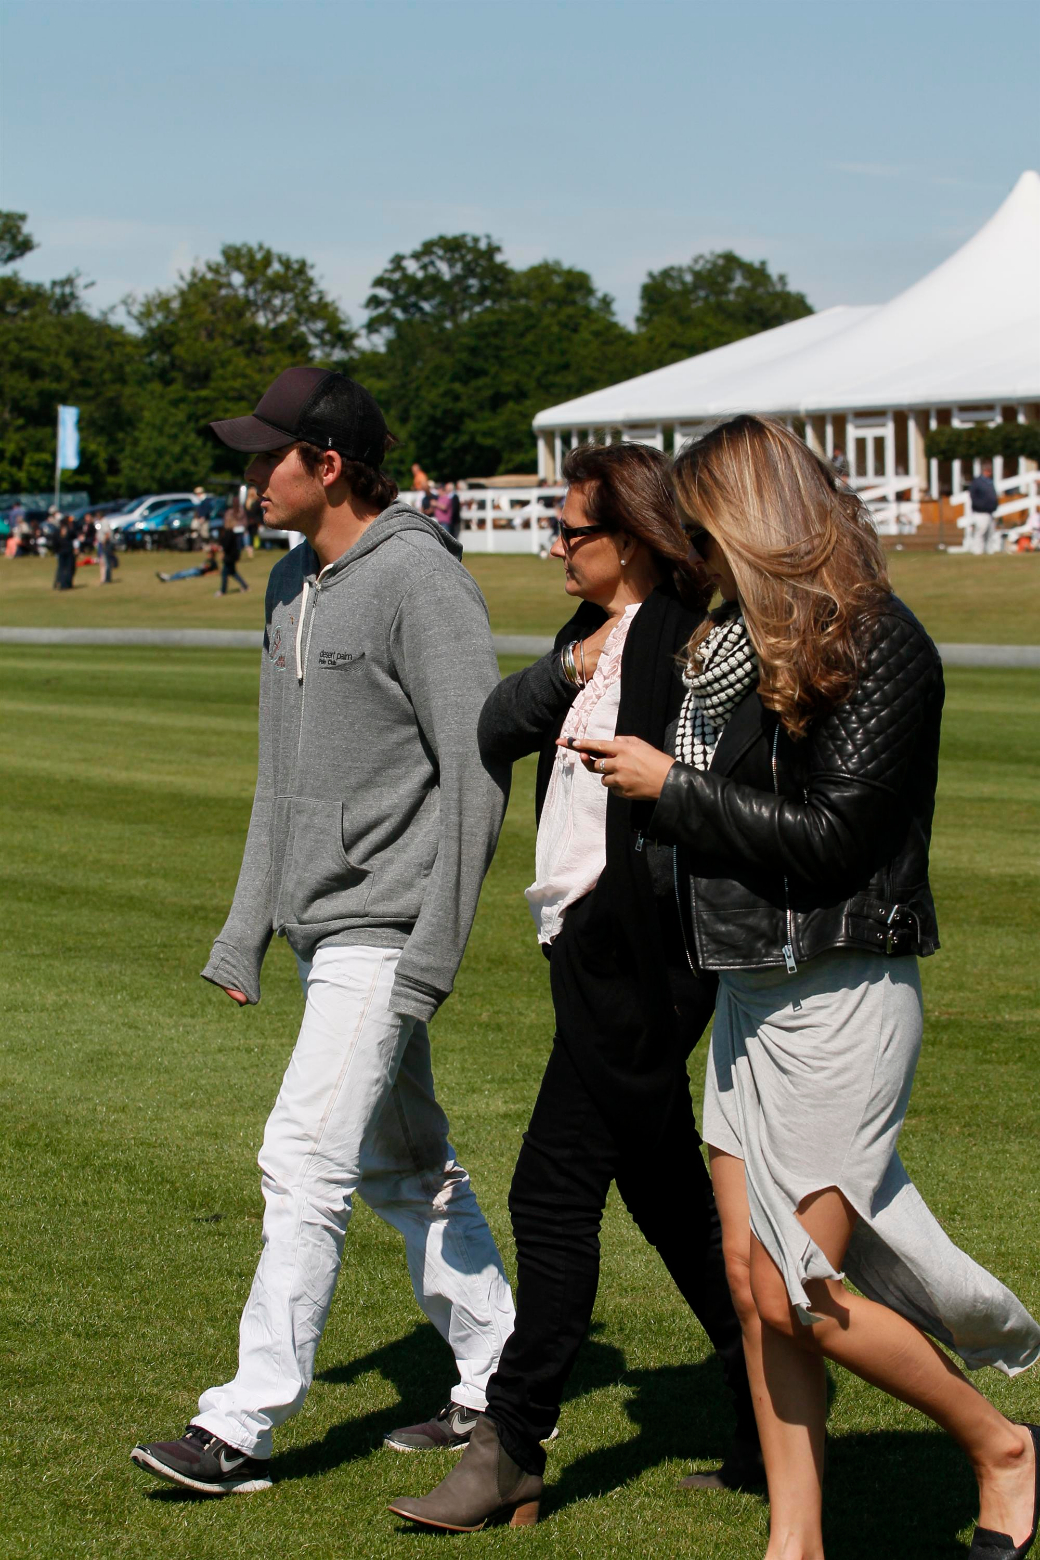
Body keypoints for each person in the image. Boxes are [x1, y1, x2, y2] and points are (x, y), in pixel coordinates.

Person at [560, 415, 1040, 1558]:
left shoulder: (880, 645)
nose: (692, 553)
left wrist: (669, 789)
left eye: (706, 527)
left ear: (757, 518)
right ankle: (794, 1542)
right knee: (745, 1281)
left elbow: (832, 838)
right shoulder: (732, 644)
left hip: (841, 991)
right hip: (747, 990)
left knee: (793, 1293)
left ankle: (1001, 1448)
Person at [131, 365, 514, 1497]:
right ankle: (498, 1373)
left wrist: (433, 948)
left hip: (387, 928)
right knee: (408, 1168)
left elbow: (478, 776)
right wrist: (246, 925)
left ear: (328, 463)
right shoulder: (289, 582)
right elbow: (281, 777)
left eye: (265, 457)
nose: (249, 478)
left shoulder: (420, 582)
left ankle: (238, 1425)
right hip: (317, 927)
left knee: (303, 1160)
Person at [389, 442, 760, 1535]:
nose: (554, 544)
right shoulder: (587, 640)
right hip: (585, 944)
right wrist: (564, 668)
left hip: (636, 955)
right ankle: (769, 1407)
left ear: (633, 536)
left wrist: (621, 935)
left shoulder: (679, 643)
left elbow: (686, 802)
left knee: (551, 1192)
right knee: (667, 1201)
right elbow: (494, 730)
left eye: (573, 531)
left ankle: (511, 1441)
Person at [967, 459, 1000, 554]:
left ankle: (990, 551)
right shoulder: (977, 482)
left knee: (990, 533)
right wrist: (981, 506)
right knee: (980, 532)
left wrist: (994, 505)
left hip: (990, 512)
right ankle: (977, 551)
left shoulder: (989, 482)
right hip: (980, 512)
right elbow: (973, 495)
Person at [216, 516, 249, 595]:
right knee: (233, 573)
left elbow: (226, 546)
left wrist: (222, 551)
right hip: (232, 556)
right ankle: (245, 586)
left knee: (225, 573)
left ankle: (223, 591)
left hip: (229, 557)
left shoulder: (228, 533)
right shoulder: (232, 533)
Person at [52, 518, 75, 590]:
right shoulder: (69, 530)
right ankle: (67, 584)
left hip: (61, 552)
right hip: (68, 551)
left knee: (61, 568)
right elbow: (75, 537)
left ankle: (60, 583)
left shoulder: (57, 531)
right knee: (68, 568)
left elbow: (55, 543)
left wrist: (56, 551)